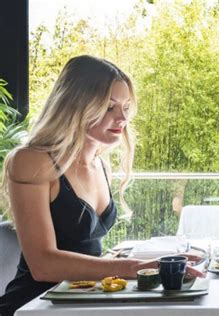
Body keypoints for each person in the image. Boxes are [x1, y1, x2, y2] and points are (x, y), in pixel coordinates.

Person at [0, 55, 202, 315]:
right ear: (75, 105)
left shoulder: (100, 165)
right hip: (34, 306)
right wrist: (131, 268)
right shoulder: (32, 161)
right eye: (109, 107)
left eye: (125, 107)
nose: (122, 118)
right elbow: (43, 265)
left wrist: (153, 262)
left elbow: (88, 254)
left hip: (83, 301)